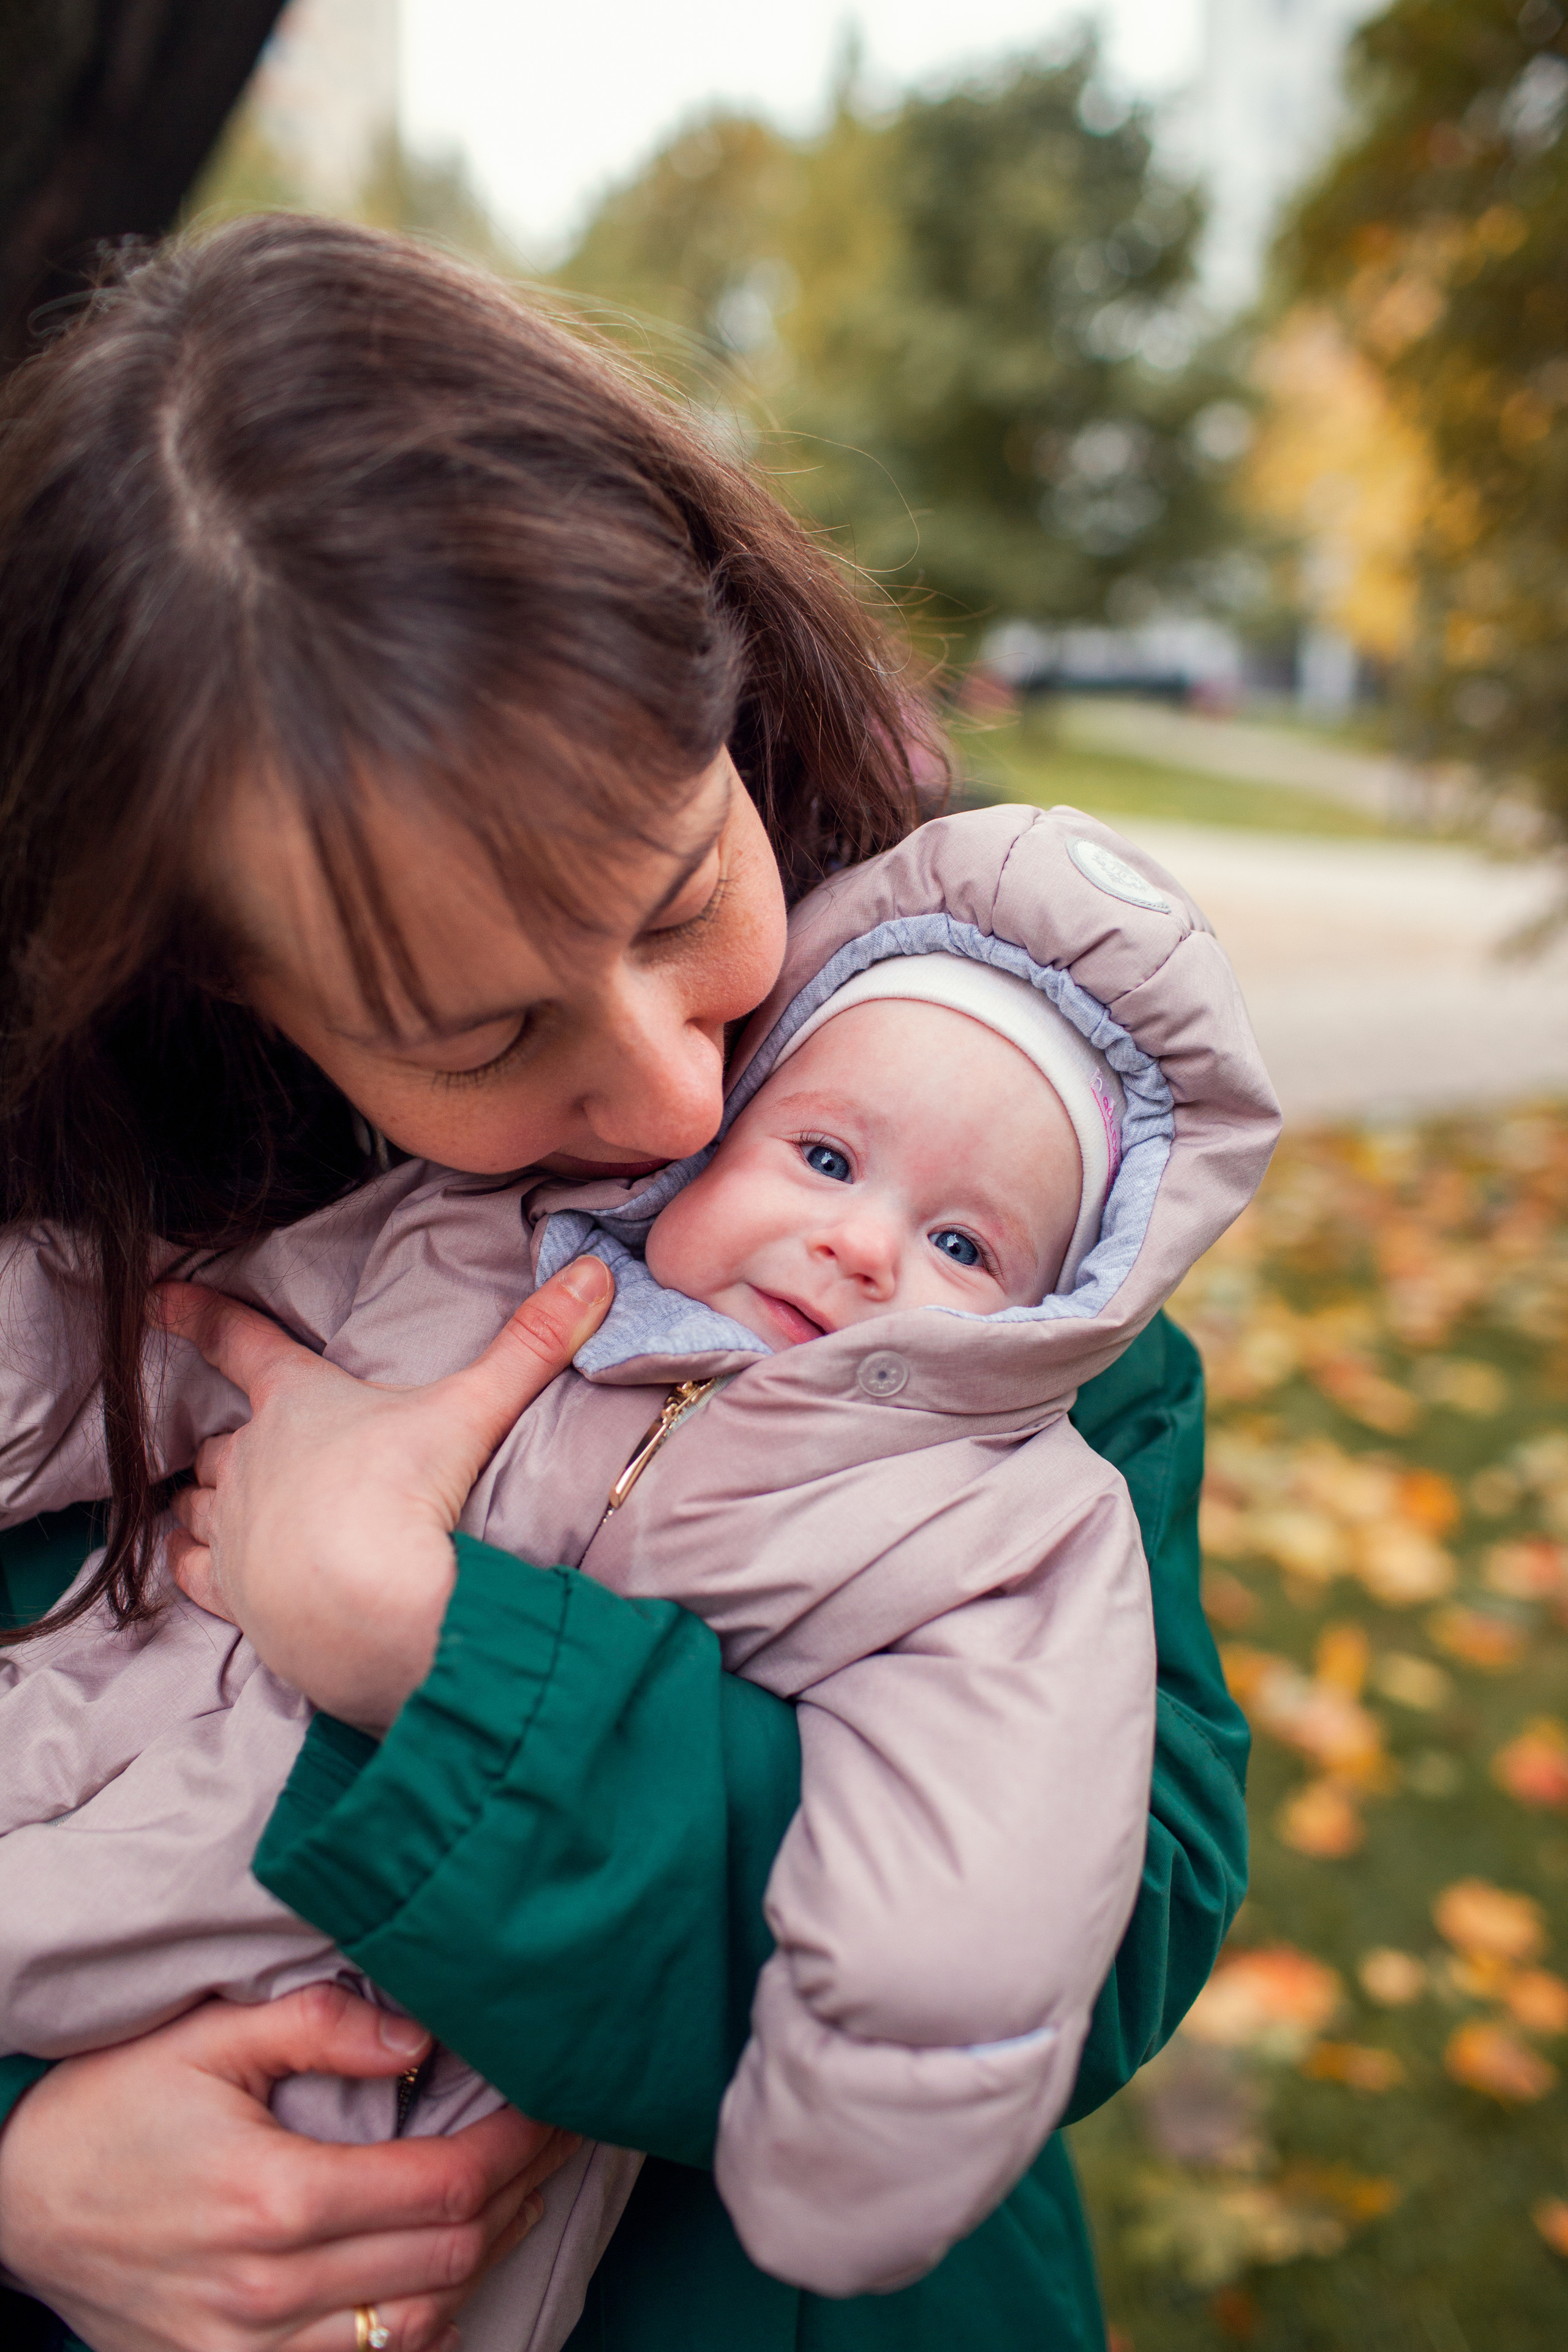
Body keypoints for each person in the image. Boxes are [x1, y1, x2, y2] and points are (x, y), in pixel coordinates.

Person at [0, 213, 1250, 2352]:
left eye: (684, 898)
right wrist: (17, 2156)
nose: (680, 1081)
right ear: (215, 981)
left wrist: (442, 1653)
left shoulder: (993, 1258)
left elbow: (1099, 1930)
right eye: (486, 1040)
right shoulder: (118, 1250)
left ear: (733, 695)